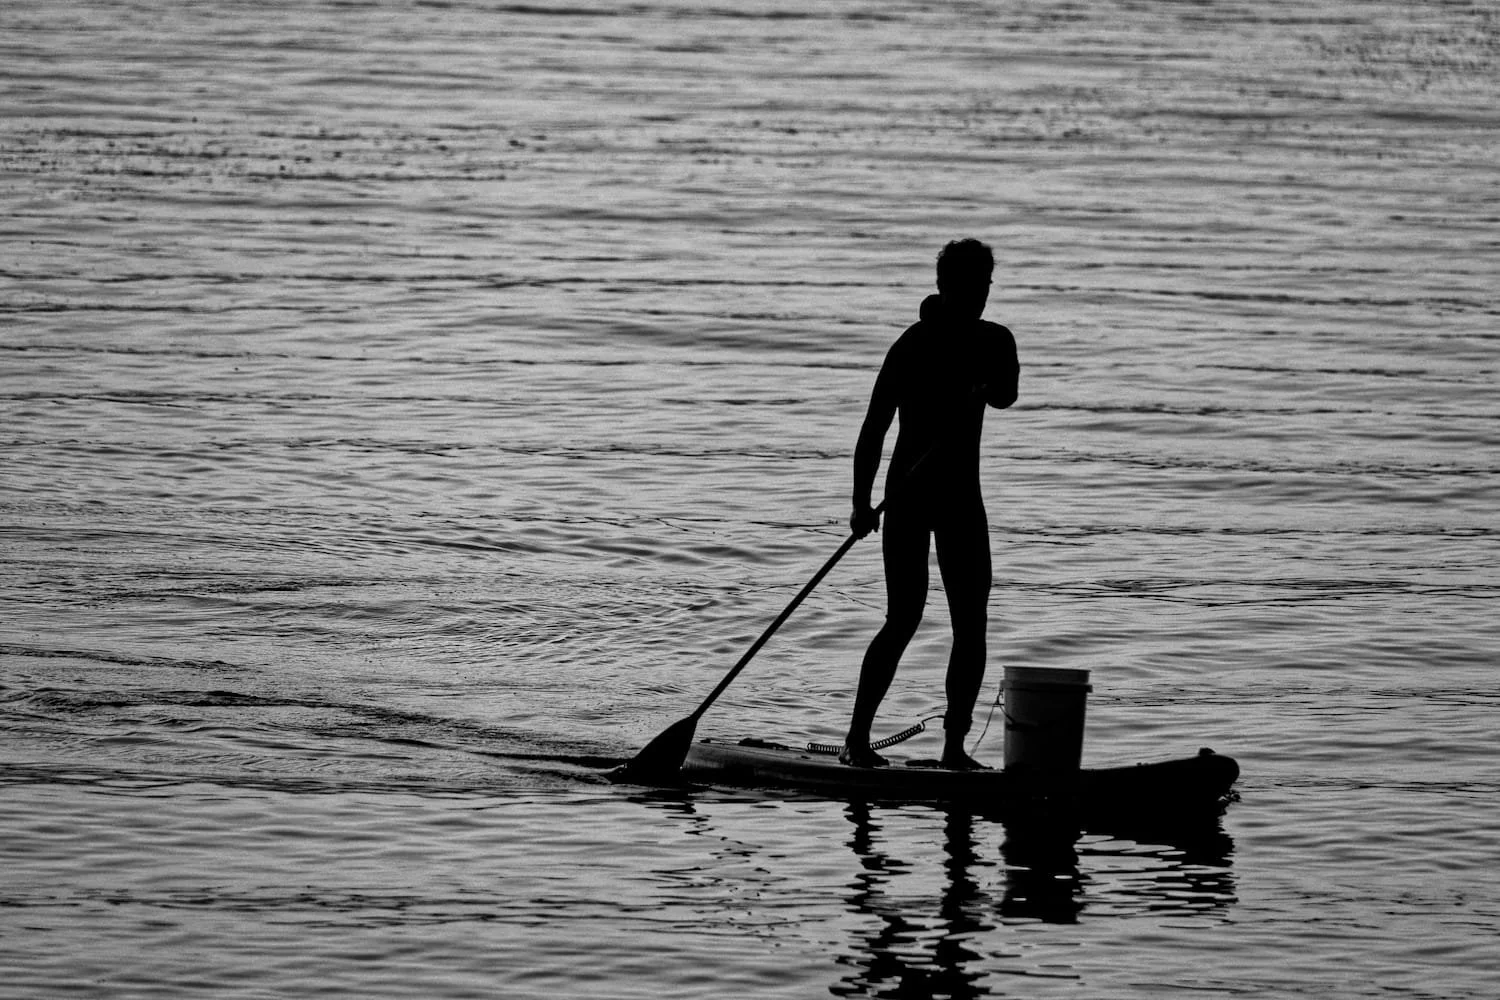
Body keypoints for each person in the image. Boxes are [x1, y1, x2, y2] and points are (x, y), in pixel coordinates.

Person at [842, 239, 1019, 770]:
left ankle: (954, 748)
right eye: (972, 287)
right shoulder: (913, 345)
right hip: (909, 497)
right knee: (904, 617)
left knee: (971, 625)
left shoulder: (994, 340)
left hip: (963, 499)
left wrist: (987, 381)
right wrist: (859, 503)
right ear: (947, 288)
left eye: (987, 287)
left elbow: (1007, 395)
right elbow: (873, 429)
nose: (982, 296)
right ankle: (857, 741)